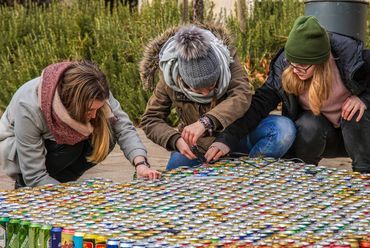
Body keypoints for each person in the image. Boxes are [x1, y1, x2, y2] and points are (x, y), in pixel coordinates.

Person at [208, 16, 370, 173]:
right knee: (309, 123)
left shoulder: (352, 59)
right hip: (321, 137)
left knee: (355, 113)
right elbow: (258, 105)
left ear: (320, 61)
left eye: (302, 65)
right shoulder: (285, 68)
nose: (295, 69)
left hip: (359, 138)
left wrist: (364, 99)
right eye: (292, 62)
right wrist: (226, 140)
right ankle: (302, 175)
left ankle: (364, 176)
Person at [0, 60, 161, 188]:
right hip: (18, 153)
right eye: (90, 110)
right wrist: (73, 200)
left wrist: (141, 164)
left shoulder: (96, 88)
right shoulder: (29, 107)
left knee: (108, 132)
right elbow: (34, 174)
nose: (94, 115)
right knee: (71, 147)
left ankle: (59, 185)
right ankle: (32, 189)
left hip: (58, 148)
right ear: (73, 102)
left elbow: (123, 127)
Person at [140, 24, 253, 170]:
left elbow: (242, 94)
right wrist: (175, 140)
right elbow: (150, 119)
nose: (206, 93)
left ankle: (249, 170)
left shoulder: (227, 58)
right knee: (174, 179)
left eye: (212, 85)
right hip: (196, 147)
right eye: (198, 89)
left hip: (234, 137)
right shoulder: (169, 77)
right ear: (181, 78)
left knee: (278, 131)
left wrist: (206, 122)